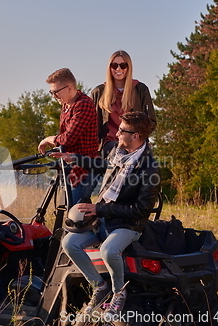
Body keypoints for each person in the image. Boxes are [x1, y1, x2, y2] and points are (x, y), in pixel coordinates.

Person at [51, 112, 160, 319]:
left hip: (128, 225)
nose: (117, 133)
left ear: (135, 136)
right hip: (104, 219)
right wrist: (75, 159)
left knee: (109, 250)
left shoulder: (150, 169)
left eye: (122, 130)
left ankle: (119, 292)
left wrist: (99, 210)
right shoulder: (118, 153)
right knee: (69, 243)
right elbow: (104, 167)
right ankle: (99, 287)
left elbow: (140, 210)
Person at [38, 68, 99, 204]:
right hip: (70, 168)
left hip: (83, 169)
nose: (54, 96)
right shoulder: (66, 105)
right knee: (69, 211)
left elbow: (68, 139)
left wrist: (47, 139)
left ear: (69, 88)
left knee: (78, 215)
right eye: (51, 92)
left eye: (56, 92)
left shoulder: (83, 105)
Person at [91, 50, 157, 157]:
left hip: (134, 142)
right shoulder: (99, 92)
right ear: (109, 68)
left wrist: (141, 138)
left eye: (123, 65)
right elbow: (92, 125)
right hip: (109, 143)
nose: (118, 69)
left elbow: (151, 120)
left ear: (128, 67)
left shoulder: (140, 89)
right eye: (114, 65)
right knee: (117, 152)